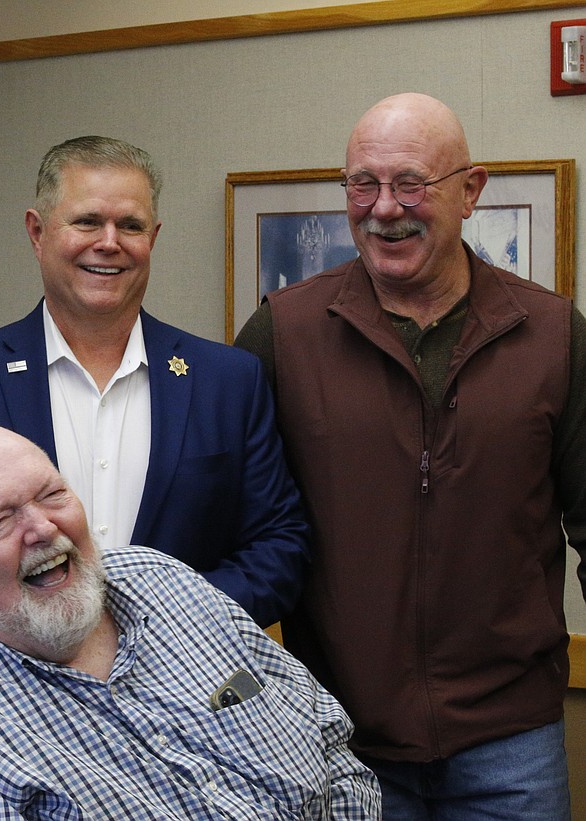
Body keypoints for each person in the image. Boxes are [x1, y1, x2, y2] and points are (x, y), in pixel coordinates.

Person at [235, 92, 586, 819]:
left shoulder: (553, 336)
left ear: (471, 191)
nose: (384, 207)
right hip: (336, 734)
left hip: (511, 741)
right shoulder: (284, 335)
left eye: (411, 183)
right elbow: (239, 527)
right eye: (363, 183)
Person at [0, 135, 309, 627]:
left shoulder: (227, 381)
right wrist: (42, 629)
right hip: (11, 686)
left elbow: (279, 548)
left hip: (182, 684)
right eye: (87, 221)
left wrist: (163, 625)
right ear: (37, 232)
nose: (109, 242)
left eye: (131, 225)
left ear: (153, 238)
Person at [0, 426, 380, 819]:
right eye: (0, 520)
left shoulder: (161, 580)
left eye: (52, 494)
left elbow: (333, 748)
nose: (44, 528)